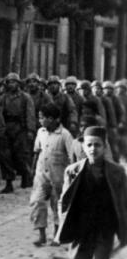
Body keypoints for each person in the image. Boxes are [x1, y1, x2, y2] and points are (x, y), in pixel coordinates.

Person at [57, 126, 127, 259]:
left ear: (104, 146)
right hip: (82, 229)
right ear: (83, 147)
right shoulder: (73, 170)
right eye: (89, 145)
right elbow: (64, 202)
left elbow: (124, 203)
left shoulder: (117, 172)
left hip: (104, 229)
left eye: (97, 145)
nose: (93, 149)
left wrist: (123, 232)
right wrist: (63, 227)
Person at [30, 103, 78, 247]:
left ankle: (57, 234)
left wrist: (72, 177)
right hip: (41, 175)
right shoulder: (41, 132)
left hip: (59, 177)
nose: (40, 120)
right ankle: (42, 235)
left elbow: (72, 157)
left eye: (42, 118)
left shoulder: (65, 135)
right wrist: (33, 169)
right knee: (37, 202)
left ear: (52, 119)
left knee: (58, 205)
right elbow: (37, 151)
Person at [0, 72, 37, 193]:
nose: (12, 84)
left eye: (14, 82)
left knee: (21, 155)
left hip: (21, 129)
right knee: (6, 156)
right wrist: (0, 129)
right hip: (7, 128)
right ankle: (8, 181)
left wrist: (30, 130)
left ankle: (26, 176)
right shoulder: (3, 98)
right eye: (9, 82)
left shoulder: (25, 97)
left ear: (18, 84)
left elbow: (30, 114)